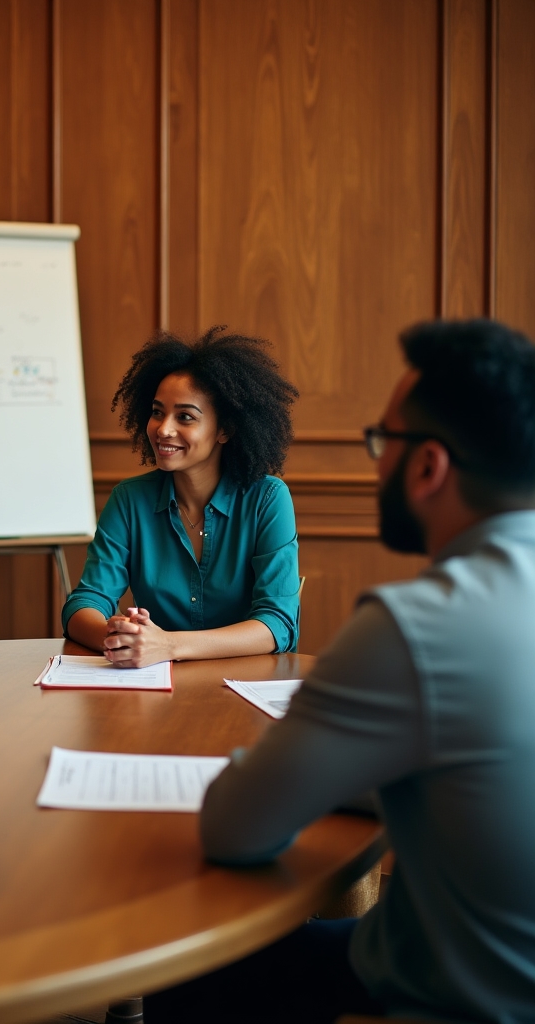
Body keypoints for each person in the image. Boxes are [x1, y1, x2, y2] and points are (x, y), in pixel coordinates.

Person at [144, 318, 535, 1024]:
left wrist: (301, 769)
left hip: (449, 998)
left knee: (189, 956)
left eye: (381, 443)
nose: (375, 463)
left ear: (428, 467)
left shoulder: (411, 629)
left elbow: (234, 828)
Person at [62, 327, 301, 666]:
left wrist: (169, 646)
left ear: (225, 430)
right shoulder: (129, 500)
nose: (163, 429)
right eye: (158, 412)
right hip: (153, 686)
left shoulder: (267, 499)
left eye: (185, 417)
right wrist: (121, 638)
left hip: (245, 685)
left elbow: (278, 624)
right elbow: (85, 602)